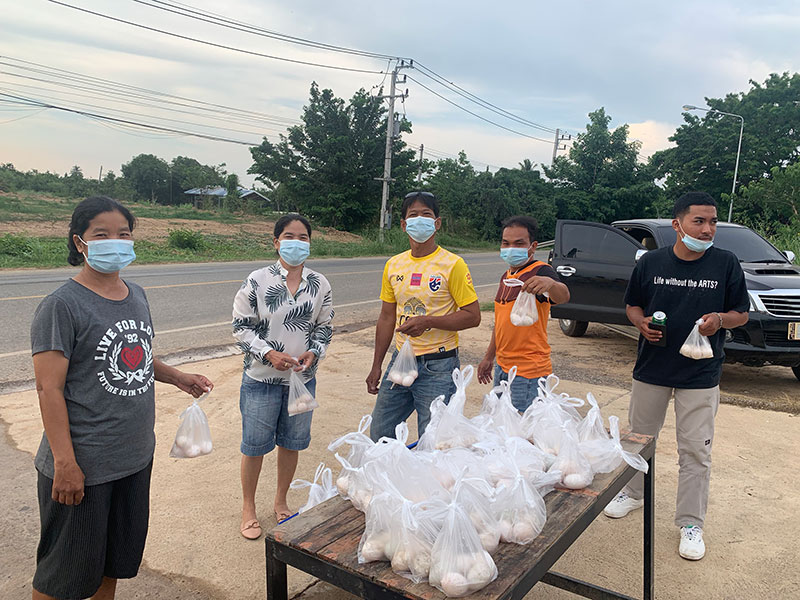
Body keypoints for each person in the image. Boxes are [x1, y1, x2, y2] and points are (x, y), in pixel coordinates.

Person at [30, 196, 213, 600]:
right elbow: (48, 388)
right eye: (102, 235)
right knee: (62, 577)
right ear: (79, 242)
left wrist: (178, 377)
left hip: (133, 458)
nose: (115, 241)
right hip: (85, 465)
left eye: (123, 233)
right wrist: (65, 463)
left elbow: (138, 354)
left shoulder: (136, 294)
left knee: (112, 565)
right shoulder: (61, 305)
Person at [603, 192, 749, 561]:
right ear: (677, 224)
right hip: (652, 368)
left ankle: (690, 523)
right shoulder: (652, 262)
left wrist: (721, 320)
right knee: (638, 441)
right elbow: (632, 304)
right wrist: (640, 322)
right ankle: (633, 493)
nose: (707, 229)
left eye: (712, 221)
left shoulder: (725, 263)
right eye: (699, 221)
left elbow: (741, 313)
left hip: (701, 373)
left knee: (696, 450)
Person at [232, 214, 333, 539]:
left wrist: (314, 352)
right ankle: (249, 508)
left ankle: (281, 502)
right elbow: (240, 327)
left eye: (303, 237)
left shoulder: (320, 284)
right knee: (254, 446)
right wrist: (268, 353)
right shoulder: (258, 281)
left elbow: (324, 326)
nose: (296, 242)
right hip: (261, 380)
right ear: (276, 242)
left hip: (301, 381)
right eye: (289, 236)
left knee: (292, 443)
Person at [366, 191, 480, 441]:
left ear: (437, 223)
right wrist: (376, 366)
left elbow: (473, 316)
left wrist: (428, 322)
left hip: (439, 365)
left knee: (434, 441)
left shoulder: (453, 264)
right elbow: (386, 317)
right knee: (380, 434)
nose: (420, 220)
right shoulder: (393, 265)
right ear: (403, 224)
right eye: (413, 215)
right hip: (400, 361)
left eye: (426, 214)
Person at [477, 215, 570, 411]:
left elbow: (564, 296)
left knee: (522, 425)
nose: (511, 248)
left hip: (528, 373)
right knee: (502, 423)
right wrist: (488, 357)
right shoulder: (506, 276)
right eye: (506, 243)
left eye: (519, 243)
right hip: (502, 368)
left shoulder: (541, 271)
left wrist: (551, 284)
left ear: (533, 246)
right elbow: (500, 324)